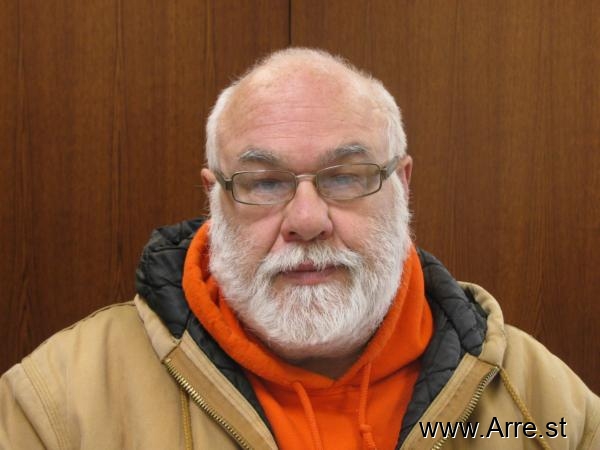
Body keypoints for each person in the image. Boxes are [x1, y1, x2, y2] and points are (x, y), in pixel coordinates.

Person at [1, 48, 598, 450]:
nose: (307, 221)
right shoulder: (59, 406)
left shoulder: (545, 406)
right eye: (265, 183)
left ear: (402, 183)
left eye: (346, 176)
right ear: (215, 195)